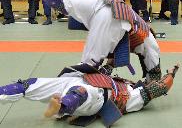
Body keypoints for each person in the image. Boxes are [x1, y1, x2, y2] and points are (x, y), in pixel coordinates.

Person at [11, 0, 161, 83]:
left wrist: (106, 70)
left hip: (102, 0)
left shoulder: (139, 25)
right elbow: (154, 76)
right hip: (114, 19)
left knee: (66, 2)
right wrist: (151, 86)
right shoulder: (147, 43)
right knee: (89, 65)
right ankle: (64, 88)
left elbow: (113, 57)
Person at [0, 64, 179, 127]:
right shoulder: (120, 80)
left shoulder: (135, 96)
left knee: (81, 93)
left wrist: (172, 72)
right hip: (77, 80)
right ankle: (4, 92)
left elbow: (161, 87)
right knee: (29, 83)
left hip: (100, 98)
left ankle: (61, 107)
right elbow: (106, 67)